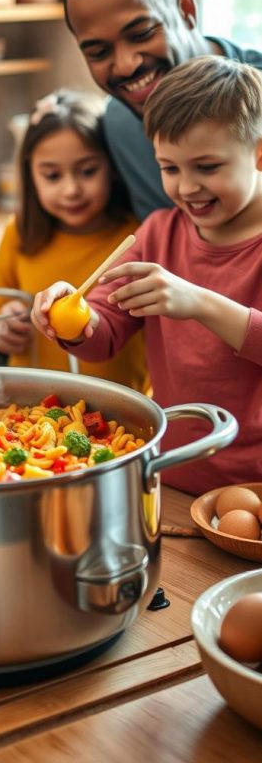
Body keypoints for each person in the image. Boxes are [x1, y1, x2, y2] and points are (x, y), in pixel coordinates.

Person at [32, 56, 262, 495]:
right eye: (170, 168)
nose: (187, 187)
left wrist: (200, 302)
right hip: (167, 475)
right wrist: (78, 319)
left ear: (260, 153)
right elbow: (106, 332)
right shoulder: (158, 232)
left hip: (254, 490)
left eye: (207, 167)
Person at [63, 0, 262, 220]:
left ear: (186, 9)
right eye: (98, 52)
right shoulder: (119, 123)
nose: (125, 65)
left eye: (141, 34)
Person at [0, 89, 149, 392]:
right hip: (31, 410)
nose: (71, 189)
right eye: (52, 176)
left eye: (87, 171)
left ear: (112, 167)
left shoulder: (136, 237)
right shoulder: (19, 232)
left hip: (119, 412)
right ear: (30, 174)